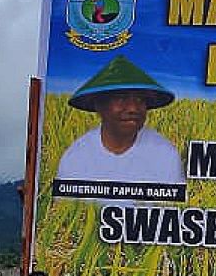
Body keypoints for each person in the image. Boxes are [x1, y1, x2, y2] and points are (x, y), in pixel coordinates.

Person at [56, 55, 185, 186]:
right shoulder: (76, 157)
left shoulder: (164, 154)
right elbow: (66, 205)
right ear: (99, 105)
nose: (133, 108)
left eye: (140, 100)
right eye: (121, 98)